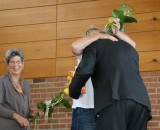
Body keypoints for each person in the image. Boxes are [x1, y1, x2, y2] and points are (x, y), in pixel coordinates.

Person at [69, 19, 152, 130]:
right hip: (141, 102)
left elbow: (84, 71)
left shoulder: (97, 46)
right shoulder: (127, 48)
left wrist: (73, 91)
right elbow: (76, 47)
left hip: (113, 100)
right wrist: (103, 35)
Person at [71, 26, 118, 130]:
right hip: (85, 111)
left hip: (104, 110)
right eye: (95, 36)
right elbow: (75, 47)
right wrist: (100, 35)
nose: (98, 39)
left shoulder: (105, 55)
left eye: (100, 35)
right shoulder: (84, 53)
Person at [0, 48, 44, 130]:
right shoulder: (2, 82)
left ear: (23, 64)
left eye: (18, 62)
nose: (15, 65)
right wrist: (16, 116)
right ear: (7, 65)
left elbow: (24, 111)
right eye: (12, 62)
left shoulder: (26, 84)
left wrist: (32, 113)